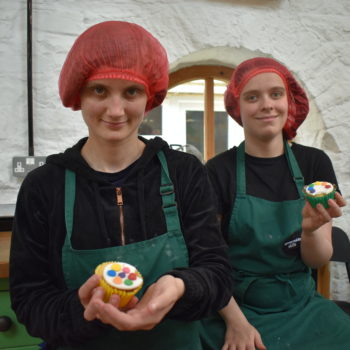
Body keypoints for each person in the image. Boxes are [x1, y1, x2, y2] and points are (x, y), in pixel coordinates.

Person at [9, 21, 232, 350]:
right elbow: (29, 300)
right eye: (99, 90)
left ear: (148, 97)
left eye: (131, 92)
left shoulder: (184, 173)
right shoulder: (44, 186)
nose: (116, 111)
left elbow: (218, 274)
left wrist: (180, 286)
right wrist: (81, 311)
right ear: (79, 95)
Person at [200, 57, 350, 350]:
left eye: (275, 94)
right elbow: (207, 259)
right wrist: (237, 322)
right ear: (237, 108)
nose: (266, 104)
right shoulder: (218, 170)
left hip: (301, 306)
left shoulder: (314, 163)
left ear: (288, 102)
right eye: (252, 97)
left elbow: (317, 260)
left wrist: (310, 231)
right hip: (233, 305)